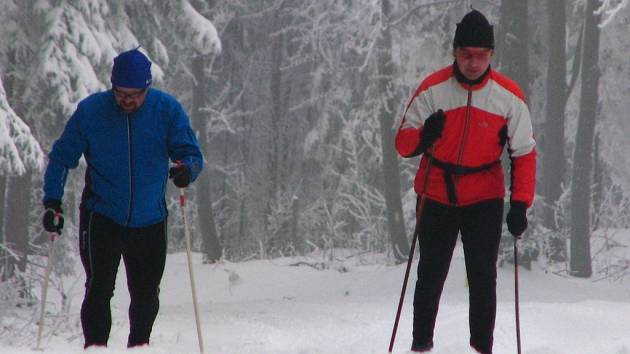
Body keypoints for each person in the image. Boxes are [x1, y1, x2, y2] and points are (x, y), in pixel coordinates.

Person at [395, 10, 536, 354]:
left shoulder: (508, 96)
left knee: (483, 278)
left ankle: (481, 348)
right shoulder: (432, 89)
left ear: (491, 55)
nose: (473, 63)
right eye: (466, 55)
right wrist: (424, 136)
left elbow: (524, 152)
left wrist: (520, 204)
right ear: (455, 52)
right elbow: (403, 143)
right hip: (436, 192)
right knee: (430, 274)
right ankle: (420, 345)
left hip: (484, 196)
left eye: (481, 55)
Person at [41, 48, 203, 348]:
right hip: (102, 215)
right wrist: (52, 202)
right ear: (112, 86)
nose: (127, 100)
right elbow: (62, 158)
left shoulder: (166, 110)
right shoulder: (91, 112)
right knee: (99, 288)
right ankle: (96, 348)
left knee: (145, 292)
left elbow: (191, 155)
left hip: (150, 218)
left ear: (147, 88)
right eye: (121, 93)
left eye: (135, 94)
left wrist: (186, 171)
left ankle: (139, 346)